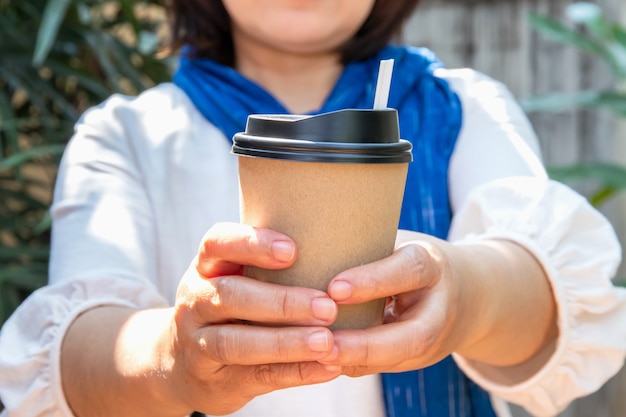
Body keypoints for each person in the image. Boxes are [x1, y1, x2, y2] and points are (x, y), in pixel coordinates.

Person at [1, 0, 625, 416]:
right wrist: (174, 355)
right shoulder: (129, 136)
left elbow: (551, 300)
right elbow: (76, 354)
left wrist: (464, 295)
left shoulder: (465, 107)